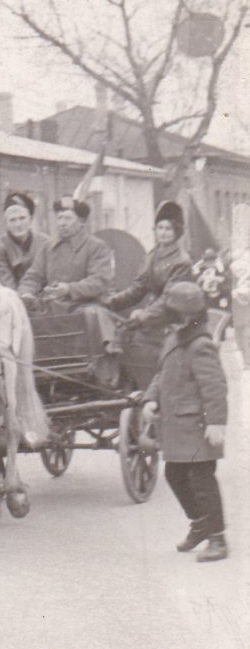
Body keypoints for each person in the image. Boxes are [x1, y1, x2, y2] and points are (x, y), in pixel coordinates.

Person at [142, 282, 229, 562]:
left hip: (196, 428)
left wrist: (216, 424)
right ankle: (200, 523)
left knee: (202, 481)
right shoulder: (174, 338)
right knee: (174, 475)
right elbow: (161, 374)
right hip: (178, 426)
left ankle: (218, 539)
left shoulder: (200, 345)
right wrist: (151, 398)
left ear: (181, 314)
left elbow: (215, 387)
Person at [104, 201, 194, 327]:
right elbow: (137, 289)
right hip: (154, 315)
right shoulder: (152, 255)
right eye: (160, 228)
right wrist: (108, 302)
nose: (163, 233)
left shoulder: (181, 261)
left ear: (177, 231)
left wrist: (143, 316)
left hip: (174, 319)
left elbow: (168, 299)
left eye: (168, 229)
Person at [18, 196, 113, 311]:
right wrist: (26, 293)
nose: (62, 223)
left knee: (91, 314)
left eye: (68, 218)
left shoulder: (96, 246)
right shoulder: (47, 248)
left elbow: (98, 281)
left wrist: (68, 289)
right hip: (51, 307)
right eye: (59, 218)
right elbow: (33, 277)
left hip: (84, 306)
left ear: (81, 221)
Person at [0, 191, 50, 290]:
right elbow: (7, 286)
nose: (18, 224)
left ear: (31, 219)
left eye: (22, 218)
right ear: (6, 223)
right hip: (15, 300)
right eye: (12, 220)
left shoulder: (45, 242)